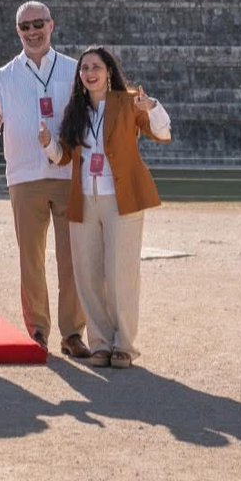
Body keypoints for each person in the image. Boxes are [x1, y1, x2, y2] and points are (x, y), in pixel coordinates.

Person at [40, 46, 172, 369]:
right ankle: (100, 343)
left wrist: (152, 107)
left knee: (120, 274)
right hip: (84, 200)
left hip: (120, 199)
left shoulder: (129, 101)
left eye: (96, 67)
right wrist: (48, 145)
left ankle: (124, 345)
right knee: (87, 275)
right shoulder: (75, 110)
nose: (89, 73)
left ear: (108, 71)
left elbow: (161, 133)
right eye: (84, 68)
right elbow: (65, 156)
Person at [0, 1, 90, 357]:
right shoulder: (4, 76)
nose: (32, 32)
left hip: (67, 172)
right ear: (17, 31)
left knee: (72, 259)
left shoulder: (73, 69)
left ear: (51, 25)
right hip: (24, 176)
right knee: (31, 259)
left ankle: (73, 333)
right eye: (25, 27)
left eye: (38, 24)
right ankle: (37, 330)